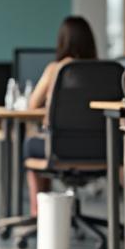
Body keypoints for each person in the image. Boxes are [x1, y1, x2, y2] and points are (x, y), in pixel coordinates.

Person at [23, 15, 97, 215]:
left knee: (30, 144)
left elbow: (32, 105)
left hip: (60, 146)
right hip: (100, 149)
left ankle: (38, 213)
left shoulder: (56, 69)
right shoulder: (103, 71)